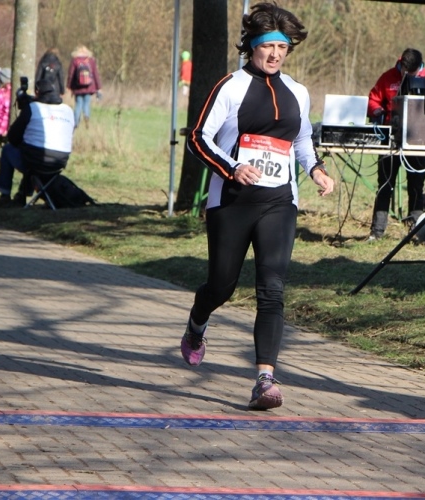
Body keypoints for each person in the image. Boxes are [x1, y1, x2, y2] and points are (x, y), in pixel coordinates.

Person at [181, 2, 335, 411]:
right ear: (252, 46)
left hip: (278, 202)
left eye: (282, 47)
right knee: (222, 286)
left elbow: (301, 140)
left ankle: (265, 379)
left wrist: (316, 169)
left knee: (272, 288)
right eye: (268, 46)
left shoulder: (298, 92)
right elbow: (198, 138)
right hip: (231, 202)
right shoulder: (230, 87)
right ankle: (197, 323)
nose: (275, 54)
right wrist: (232, 168)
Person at [367, 48, 425, 240]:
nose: (409, 76)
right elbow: (372, 100)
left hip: (418, 141)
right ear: (402, 65)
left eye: (413, 73)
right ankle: (377, 232)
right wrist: (378, 111)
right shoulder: (388, 78)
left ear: (420, 67)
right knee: (385, 185)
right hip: (390, 140)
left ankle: (416, 230)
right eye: (406, 72)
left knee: (416, 186)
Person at [0, 79, 75, 207]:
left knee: (10, 150)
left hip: (35, 161)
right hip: (59, 162)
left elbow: (13, 137)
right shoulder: (68, 110)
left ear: (37, 92)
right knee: (32, 152)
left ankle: (5, 195)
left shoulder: (33, 108)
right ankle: (22, 194)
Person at [66, 45, 102, 129]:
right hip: (89, 87)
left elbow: (71, 75)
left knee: (78, 104)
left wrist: (69, 86)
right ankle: (86, 116)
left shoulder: (75, 61)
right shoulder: (91, 60)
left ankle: (76, 122)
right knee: (86, 103)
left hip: (78, 87)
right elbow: (95, 74)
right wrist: (99, 87)